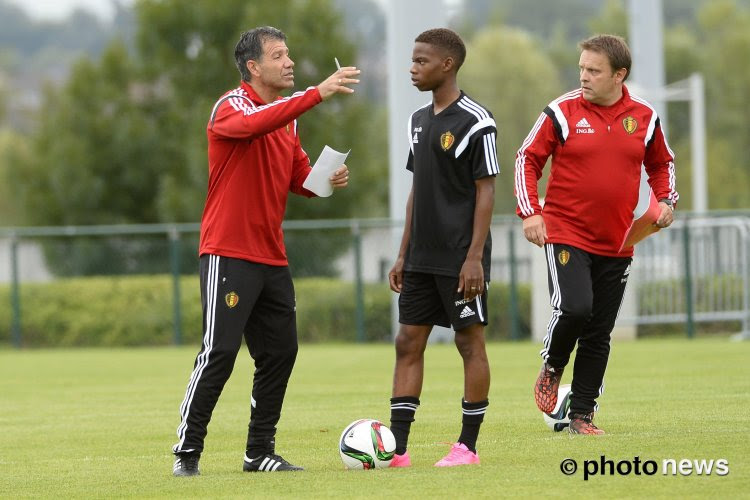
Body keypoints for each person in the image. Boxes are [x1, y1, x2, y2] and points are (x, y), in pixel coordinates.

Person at [171, 26, 360, 476]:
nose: (289, 62)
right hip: (228, 253)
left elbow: (299, 180)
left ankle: (259, 453)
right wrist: (317, 94)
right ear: (254, 67)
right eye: (279, 56)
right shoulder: (230, 106)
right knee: (218, 352)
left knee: (281, 352)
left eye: (288, 54)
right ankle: (187, 454)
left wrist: (324, 179)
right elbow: (253, 125)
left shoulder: (286, 118)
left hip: (271, 256)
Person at [515, 34, 678, 435]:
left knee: (600, 330)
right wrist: (530, 212)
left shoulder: (644, 117)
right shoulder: (562, 111)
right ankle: (552, 366)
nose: (584, 76)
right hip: (566, 230)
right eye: (582, 68)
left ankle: (582, 416)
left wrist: (666, 200)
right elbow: (527, 159)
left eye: (594, 70)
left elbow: (662, 164)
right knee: (574, 308)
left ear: (619, 75)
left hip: (620, 239)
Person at [387, 28, 498, 468]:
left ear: (446, 64)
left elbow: (486, 191)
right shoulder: (418, 120)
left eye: (420, 61)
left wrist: (474, 259)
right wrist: (402, 252)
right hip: (420, 257)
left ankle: (466, 447)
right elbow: (418, 190)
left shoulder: (476, 120)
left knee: (469, 346)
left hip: (459, 258)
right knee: (406, 342)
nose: (412, 68)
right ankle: (396, 449)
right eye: (412, 61)